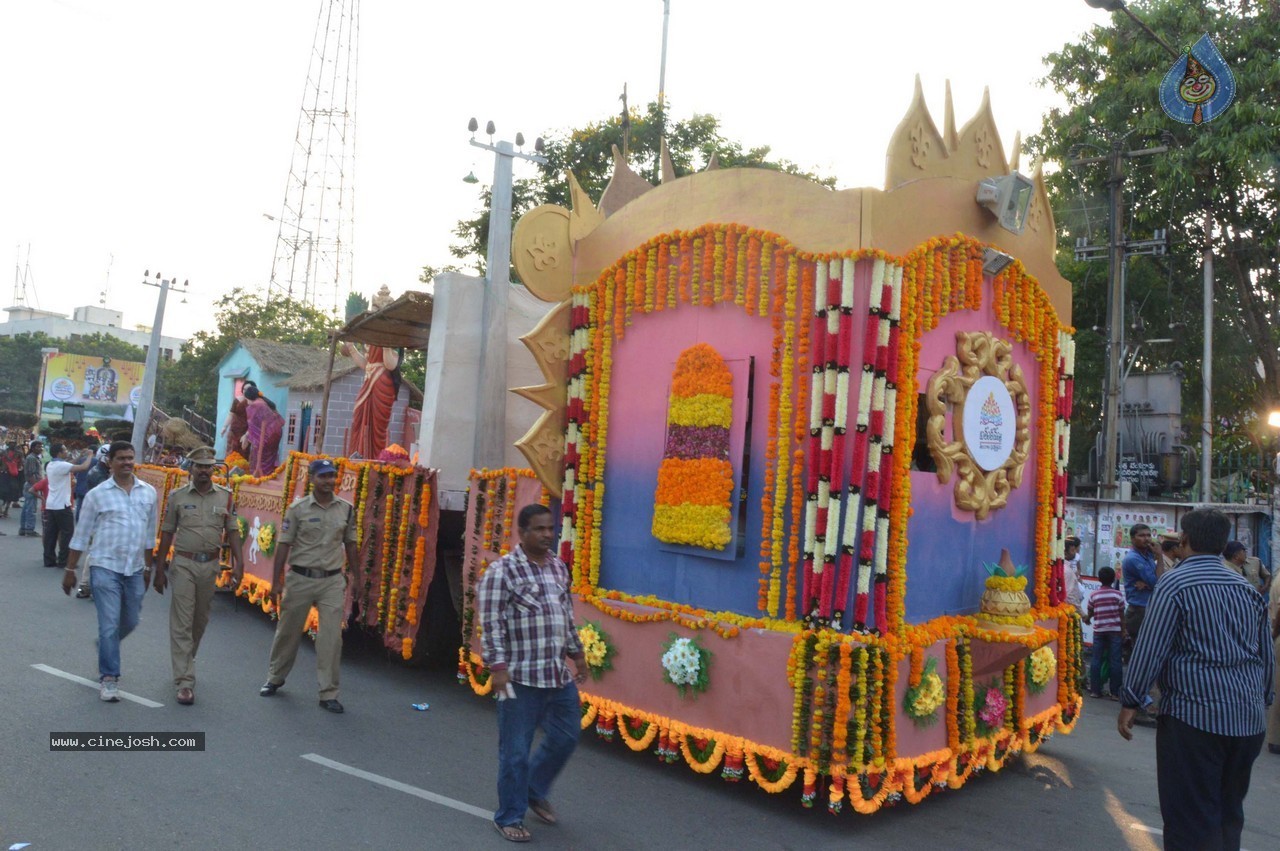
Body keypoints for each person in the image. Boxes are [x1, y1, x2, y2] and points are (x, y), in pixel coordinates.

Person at [1118, 508, 1274, 851]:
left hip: (1195, 720)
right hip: (1247, 722)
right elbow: (1265, 656)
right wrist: (1260, 702)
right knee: (1227, 815)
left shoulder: (1175, 583)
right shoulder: (1246, 588)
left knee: (1190, 819)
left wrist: (1131, 700)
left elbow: (1150, 647)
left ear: (1184, 540)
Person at [477, 503, 588, 843]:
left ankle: (534, 788)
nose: (547, 534)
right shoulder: (502, 572)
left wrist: (577, 653)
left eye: (550, 528)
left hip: (555, 675)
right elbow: (491, 623)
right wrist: (497, 667)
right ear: (521, 533)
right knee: (514, 751)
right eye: (538, 529)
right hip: (518, 678)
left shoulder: (557, 567)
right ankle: (509, 816)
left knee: (566, 737)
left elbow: (564, 614)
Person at [258, 458, 357, 713]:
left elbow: (351, 544)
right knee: (288, 631)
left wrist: (357, 576)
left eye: (332, 476)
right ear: (311, 479)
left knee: (331, 638)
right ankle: (275, 678)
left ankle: (328, 693)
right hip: (300, 578)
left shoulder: (346, 509)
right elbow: (283, 545)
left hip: (332, 580)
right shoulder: (298, 509)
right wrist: (276, 581)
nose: (328, 481)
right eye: (322, 476)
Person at [62, 441, 158, 703]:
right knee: (109, 624)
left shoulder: (148, 493)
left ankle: (107, 646)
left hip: (135, 568)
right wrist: (70, 569)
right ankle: (109, 677)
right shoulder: (97, 494)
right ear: (110, 462)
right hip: (105, 566)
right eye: (121, 459)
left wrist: (149, 567)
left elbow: (150, 535)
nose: (127, 463)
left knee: (130, 621)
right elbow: (81, 536)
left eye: (130, 458)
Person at [152, 446, 243, 706]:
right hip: (183, 564)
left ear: (214, 469)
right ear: (190, 468)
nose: (204, 471)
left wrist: (239, 564)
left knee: (199, 621)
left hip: (210, 565)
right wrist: (159, 569)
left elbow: (233, 532)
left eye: (208, 466)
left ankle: (185, 661)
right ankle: (185, 680)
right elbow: (167, 533)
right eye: (199, 466)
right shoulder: (177, 497)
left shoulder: (225, 497)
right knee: (182, 620)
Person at [342, 338, 401, 460]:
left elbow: (391, 365)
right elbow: (366, 364)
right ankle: (356, 455)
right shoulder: (368, 337)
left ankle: (374, 458)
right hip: (368, 380)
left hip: (381, 383)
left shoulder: (389, 332)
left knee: (377, 427)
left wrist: (385, 343)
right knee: (358, 417)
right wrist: (351, 348)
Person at [42, 443, 93, 568]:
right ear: (59, 452)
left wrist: (80, 455)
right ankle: (63, 560)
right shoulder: (61, 465)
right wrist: (90, 456)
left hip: (52, 504)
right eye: (64, 450)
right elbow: (83, 467)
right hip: (62, 505)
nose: (66, 452)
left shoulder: (51, 465)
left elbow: (70, 464)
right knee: (67, 534)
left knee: (51, 534)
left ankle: (49, 560)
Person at [72, 445, 113, 599]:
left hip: (100, 518)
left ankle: (87, 585)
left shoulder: (100, 471)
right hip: (100, 518)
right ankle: (87, 585)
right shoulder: (99, 475)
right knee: (98, 553)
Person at [1084, 566, 1124, 699]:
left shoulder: (1094, 595)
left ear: (1099, 579)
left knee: (1096, 659)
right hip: (1115, 631)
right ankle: (1115, 693)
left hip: (1099, 631)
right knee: (1115, 661)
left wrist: (1088, 619)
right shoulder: (1118, 595)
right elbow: (1121, 613)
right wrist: (1123, 630)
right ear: (1113, 579)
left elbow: (1091, 611)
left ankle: (1095, 690)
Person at [1121, 523, 1158, 652]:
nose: (1146, 539)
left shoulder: (1148, 555)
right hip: (1139, 610)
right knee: (1142, 650)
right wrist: (1151, 584)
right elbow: (1157, 582)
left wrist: (1148, 584)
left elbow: (1158, 581)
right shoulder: (1133, 558)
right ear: (1132, 538)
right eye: (1141, 535)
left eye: (1149, 535)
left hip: (1149, 606)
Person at [19, 440, 43, 537]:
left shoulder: (34, 458)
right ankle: (29, 529)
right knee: (31, 509)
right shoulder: (32, 458)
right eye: (38, 447)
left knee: (27, 508)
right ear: (33, 448)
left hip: (30, 485)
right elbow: (31, 474)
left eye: (41, 447)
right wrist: (36, 487)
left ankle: (23, 528)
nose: (40, 449)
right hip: (31, 485)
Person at [0, 440, 22, 518]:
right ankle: (1, 509)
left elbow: (21, 463)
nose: (12, 444)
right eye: (11, 443)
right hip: (4, 473)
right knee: (2, 492)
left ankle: (6, 510)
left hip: (13, 474)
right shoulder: (3, 452)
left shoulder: (19, 453)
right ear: (8, 444)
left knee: (11, 492)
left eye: (14, 443)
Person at [1063, 536, 1083, 613]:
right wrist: (1082, 613)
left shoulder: (1068, 567)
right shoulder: (1066, 570)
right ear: (1065, 552)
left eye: (1075, 549)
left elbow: (1079, 568)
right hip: (1068, 607)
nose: (1075, 552)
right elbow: (1069, 595)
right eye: (1072, 550)